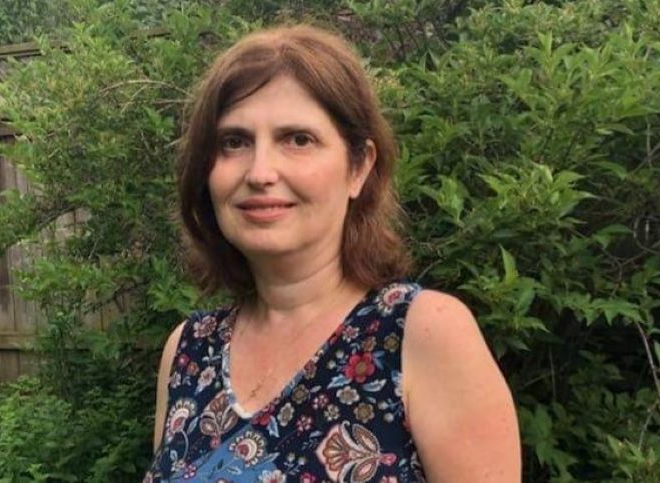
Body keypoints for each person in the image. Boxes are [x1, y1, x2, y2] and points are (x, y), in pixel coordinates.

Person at [145, 24, 520, 482]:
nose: (260, 172)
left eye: (297, 139)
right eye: (234, 142)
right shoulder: (188, 351)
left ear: (359, 166)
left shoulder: (423, 335)